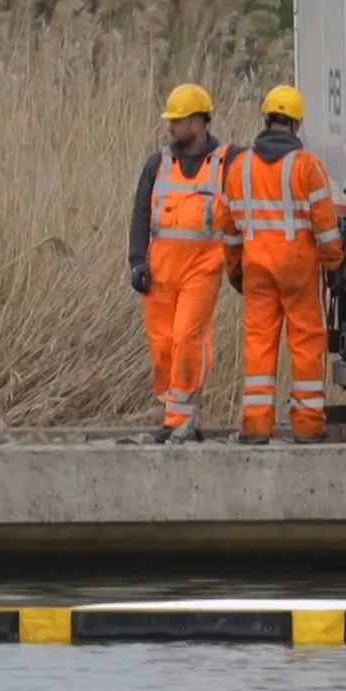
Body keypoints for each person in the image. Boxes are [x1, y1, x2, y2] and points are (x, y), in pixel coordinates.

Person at [213, 84, 346, 444]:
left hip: (257, 269)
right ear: (296, 124)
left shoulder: (239, 167)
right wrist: (335, 266)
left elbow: (228, 228)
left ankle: (255, 427)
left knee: (259, 344)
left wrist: (235, 270)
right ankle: (307, 426)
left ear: (266, 119)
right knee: (306, 344)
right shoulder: (308, 167)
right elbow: (326, 227)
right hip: (299, 270)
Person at [128, 82, 235, 443]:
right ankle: (174, 410)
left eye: (177, 120)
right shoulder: (157, 164)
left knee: (189, 339)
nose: (169, 127)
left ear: (200, 122)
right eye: (169, 121)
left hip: (202, 270)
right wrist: (136, 261)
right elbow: (141, 213)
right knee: (162, 343)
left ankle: (181, 420)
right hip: (160, 270)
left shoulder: (227, 163)